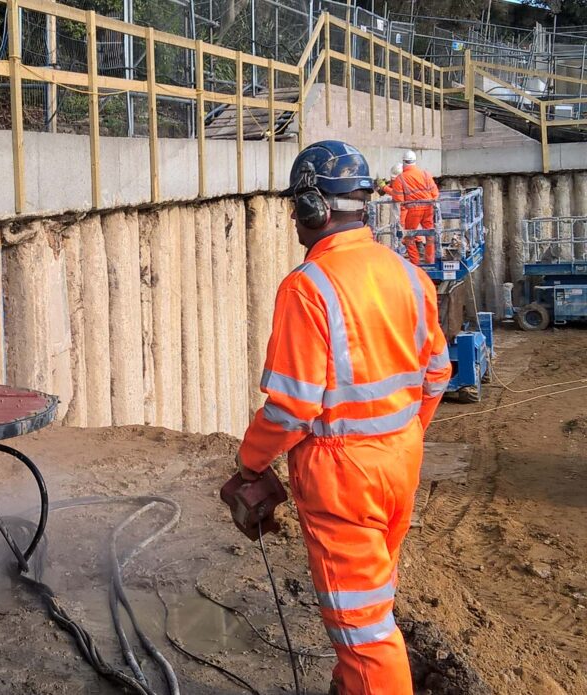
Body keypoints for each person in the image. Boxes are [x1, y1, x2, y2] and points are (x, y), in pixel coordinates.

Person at [228, 141, 451, 695]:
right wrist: (399, 438)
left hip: (343, 481)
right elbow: (438, 374)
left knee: (364, 631)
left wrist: (249, 464)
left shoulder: (308, 287)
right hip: (400, 460)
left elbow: (290, 407)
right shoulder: (410, 275)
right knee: (373, 602)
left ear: (312, 209)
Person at [390, 150, 440, 265]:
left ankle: (415, 262)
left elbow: (399, 200)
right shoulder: (426, 174)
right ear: (415, 161)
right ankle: (430, 260)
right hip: (428, 208)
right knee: (430, 235)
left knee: (409, 236)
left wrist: (387, 189)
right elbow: (435, 194)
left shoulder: (400, 178)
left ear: (403, 162)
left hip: (413, 210)